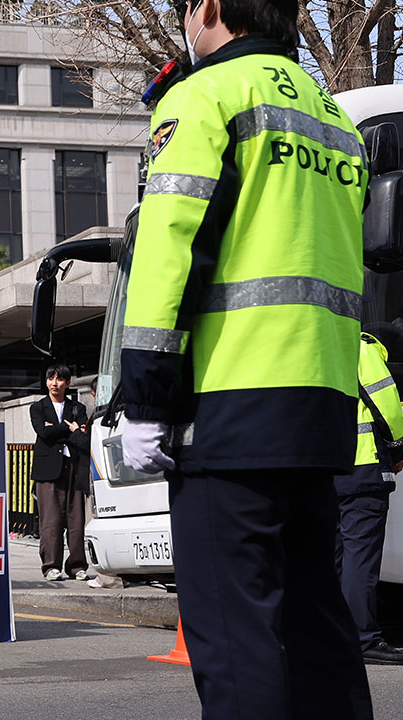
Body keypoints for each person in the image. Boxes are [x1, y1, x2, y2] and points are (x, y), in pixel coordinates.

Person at [118, 0, 372, 716]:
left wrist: (144, 397)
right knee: (317, 623)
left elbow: (170, 250)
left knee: (234, 635)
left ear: (212, 9)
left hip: (226, 405)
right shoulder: (335, 120)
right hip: (318, 406)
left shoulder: (206, 95)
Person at [336, 333, 403, 665]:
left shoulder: (321, 345)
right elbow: (386, 401)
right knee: (360, 559)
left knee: (335, 560)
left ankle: (334, 635)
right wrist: (400, 447)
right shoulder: (361, 346)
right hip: (363, 469)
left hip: (324, 470)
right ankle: (363, 638)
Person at [28, 364, 89, 581]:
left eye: (60, 379)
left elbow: (82, 438)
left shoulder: (78, 408)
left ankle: (77, 566)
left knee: (76, 518)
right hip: (47, 470)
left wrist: (57, 429)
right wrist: (70, 428)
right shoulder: (37, 408)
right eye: (51, 378)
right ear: (46, 382)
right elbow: (43, 433)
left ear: (68, 383)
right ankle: (51, 566)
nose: (55, 383)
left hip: (73, 467)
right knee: (51, 520)